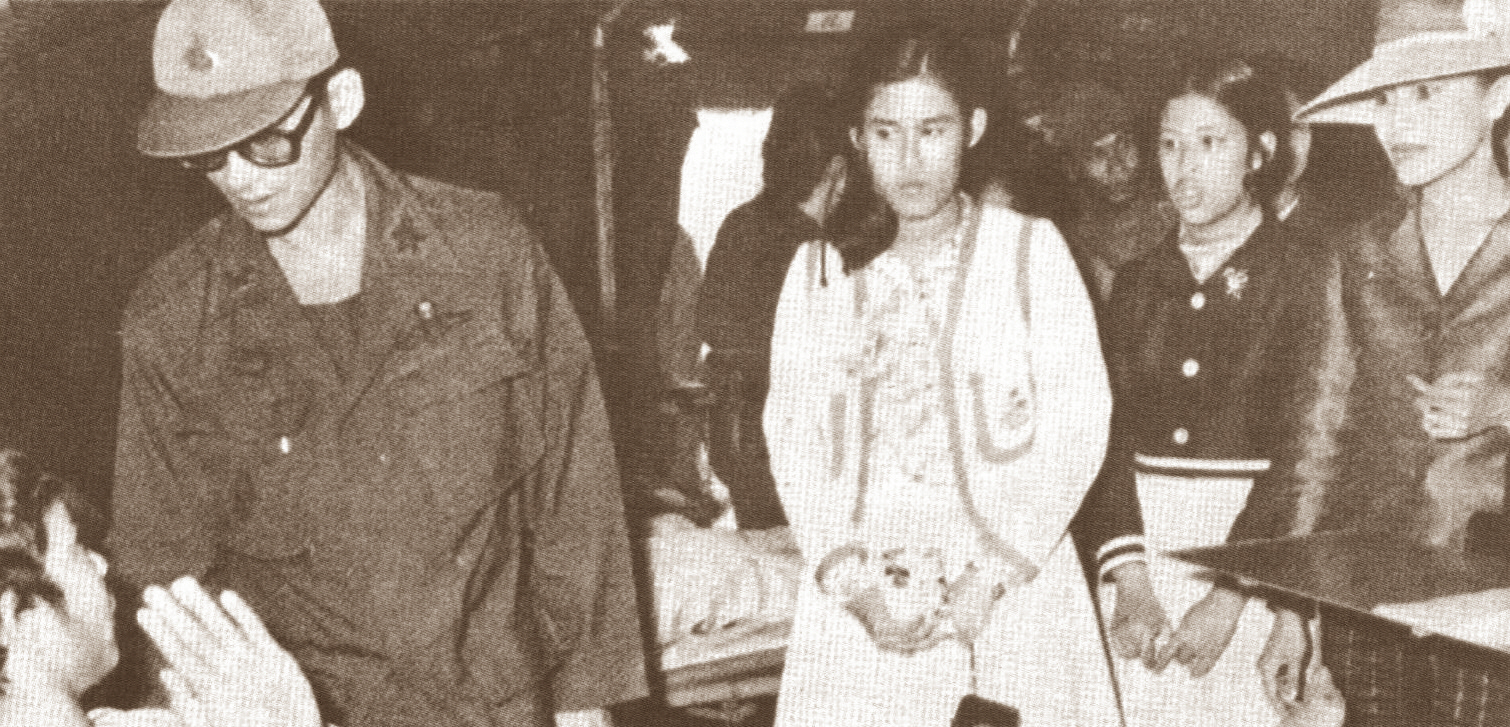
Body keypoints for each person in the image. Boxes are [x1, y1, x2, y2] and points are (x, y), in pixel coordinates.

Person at [108, 1, 646, 726]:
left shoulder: (485, 254)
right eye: (205, 154)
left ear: (341, 99)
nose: (237, 177)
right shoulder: (174, 319)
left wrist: (587, 706)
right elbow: (165, 573)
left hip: (490, 706)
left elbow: (574, 500)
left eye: (264, 142)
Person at [764, 21, 1117, 726]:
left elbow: (1079, 425)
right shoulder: (818, 272)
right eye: (886, 132)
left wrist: (991, 576)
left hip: (1012, 588)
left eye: (933, 130)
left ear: (973, 128)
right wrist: (856, 588)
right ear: (858, 139)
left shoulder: (1028, 252)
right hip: (866, 603)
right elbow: (793, 440)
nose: (909, 159)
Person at [1076, 56, 1332, 727]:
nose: (1184, 167)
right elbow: (1107, 442)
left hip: (1263, 558)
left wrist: (1231, 597)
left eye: (1210, 142)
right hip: (1144, 553)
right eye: (1170, 144)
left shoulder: (1306, 275)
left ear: (1260, 152)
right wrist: (1131, 582)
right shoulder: (1137, 282)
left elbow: (1306, 456)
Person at [1291, 0, 1510, 723]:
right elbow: (1318, 434)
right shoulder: (1359, 249)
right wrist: (1293, 609)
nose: (1398, 122)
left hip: (1494, 593)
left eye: (1425, 93)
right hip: (1367, 590)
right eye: (1384, 99)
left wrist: (1499, 407)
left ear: (1498, 97)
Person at [696, 82, 847, 531]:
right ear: (838, 167)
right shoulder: (817, 248)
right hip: (788, 442)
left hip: (737, 439)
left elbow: (711, 324)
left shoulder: (741, 223)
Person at [1037, 80, 1174, 302]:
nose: (1118, 165)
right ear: (1072, 167)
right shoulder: (1068, 243)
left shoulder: (1175, 210)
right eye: (1098, 154)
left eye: (1124, 144)